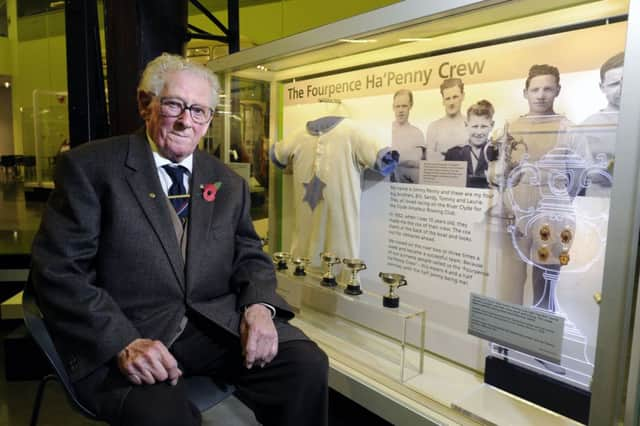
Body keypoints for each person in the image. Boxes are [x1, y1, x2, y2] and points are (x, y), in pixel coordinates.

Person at [30, 53, 328, 426]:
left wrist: (259, 308)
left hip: (212, 327)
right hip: (129, 333)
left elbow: (249, 255)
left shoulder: (227, 181)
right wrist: (122, 341)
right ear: (145, 104)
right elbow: (59, 272)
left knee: (304, 365)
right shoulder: (90, 168)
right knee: (166, 417)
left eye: (200, 111)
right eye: (174, 105)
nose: (187, 121)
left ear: (209, 120)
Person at [579, 52, 624, 196]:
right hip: (602, 208)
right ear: (602, 87)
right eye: (615, 84)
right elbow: (593, 175)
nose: (623, 89)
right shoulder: (587, 127)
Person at [444, 100, 497, 188]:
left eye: (483, 126)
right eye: (475, 126)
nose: (479, 132)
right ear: (466, 125)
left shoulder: (496, 153)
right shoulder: (453, 154)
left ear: (491, 126)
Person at [425, 78, 468, 161]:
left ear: (463, 96)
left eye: (455, 97)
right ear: (443, 101)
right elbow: (429, 158)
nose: (451, 102)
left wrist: (443, 155)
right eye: (447, 98)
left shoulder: (471, 125)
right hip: (441, 172)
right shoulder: (434, 127)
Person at [390, 89, 425, 183]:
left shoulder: (417, 133)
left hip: (408, 186)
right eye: (398, 106)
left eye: (404, 106)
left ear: (410, 106)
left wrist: (393, 158)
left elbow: (416, 161)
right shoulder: (386, 132)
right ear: (393, 107)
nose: (400, 110)